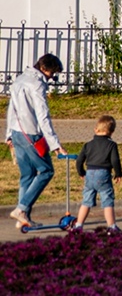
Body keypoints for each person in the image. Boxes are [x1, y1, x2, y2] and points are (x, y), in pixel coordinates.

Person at [5, 54, 68, 228]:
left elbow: (12, 108)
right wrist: (55, 144)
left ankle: (23, 218)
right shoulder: (37, 85)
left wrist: (8, 134)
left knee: (27, 175)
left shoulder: (19, 80)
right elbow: (43, 116)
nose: (52, 78)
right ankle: (22, 209)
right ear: (45, 69)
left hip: (17, 133)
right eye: (52, 74)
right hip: (32, 134)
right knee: (46, 171)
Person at [72, 115, 122, 232]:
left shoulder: (87, 144)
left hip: (89, 173)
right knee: (107, 200)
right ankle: (111, 226)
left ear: (95, 129)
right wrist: (118, 173)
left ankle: (78, 225)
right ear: (112, 132)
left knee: (86, 201)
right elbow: (115, 160)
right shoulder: (111, 145)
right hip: (103, 174)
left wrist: (81, 172)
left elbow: (79, 160)